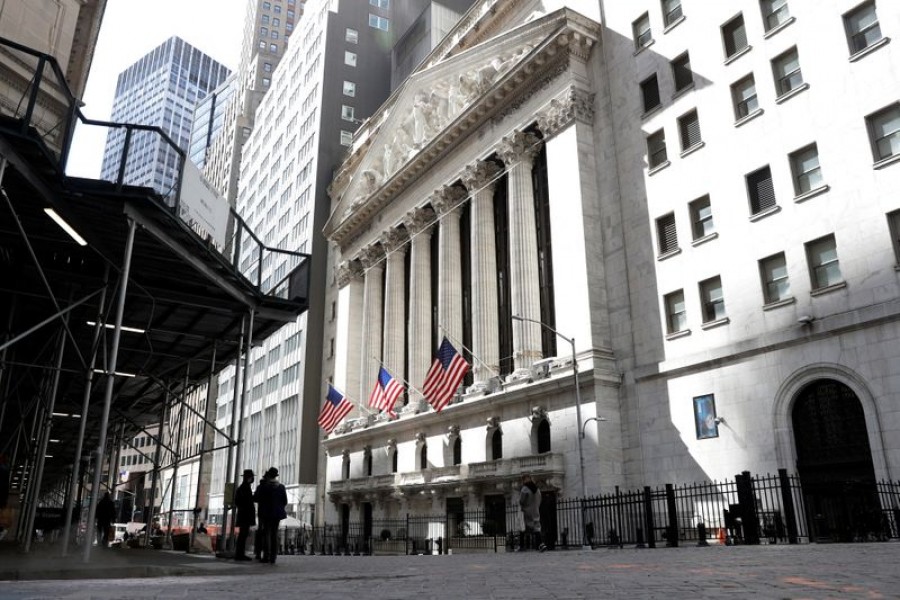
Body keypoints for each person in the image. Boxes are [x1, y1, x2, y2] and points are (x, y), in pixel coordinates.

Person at [253, 466, 287, 563]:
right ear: (276, 476)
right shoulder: (281, 487)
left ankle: (266, 556)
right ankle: (273, 556)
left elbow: (256, 498)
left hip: (266, 513)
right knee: (274, 534)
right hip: (276, 514)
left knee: (266, 533)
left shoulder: (264, 487)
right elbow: (285, 501)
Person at [519, 475, 546, 552]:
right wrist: (536, 506)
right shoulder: (537, 489)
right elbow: (540, 499)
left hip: (527, 510)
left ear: (524, 480)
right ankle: (539, 545)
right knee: (536, 527)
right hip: (535, 510)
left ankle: (522, 546)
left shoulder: (525, 489)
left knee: (522, 527)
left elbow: (521, 501)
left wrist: (524, 506)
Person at [233, 469, 255, 561]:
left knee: (243, 535)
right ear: (249, 478)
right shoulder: (245, 488)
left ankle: (240, 554)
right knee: (243, 535)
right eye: (251, 477)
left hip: (244, 515)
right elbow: (245, 502)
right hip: (245, 515)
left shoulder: (243, 487)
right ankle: (240, 554)